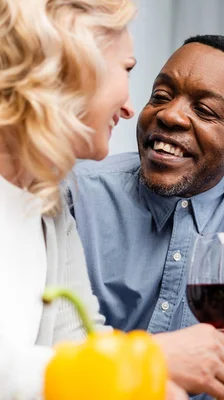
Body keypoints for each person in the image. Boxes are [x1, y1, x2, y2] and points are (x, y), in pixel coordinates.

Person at [69, 34, 224, 395]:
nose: (170, 115)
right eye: (161, 96)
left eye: (205, 111)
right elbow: (46, 348)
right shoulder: (78, 194)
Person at [0, 0, 184, 398]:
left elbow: (77, 340)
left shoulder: (48, 201)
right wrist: (148, 359)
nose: (130, 106)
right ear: (73, 65)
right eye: (127, 68)